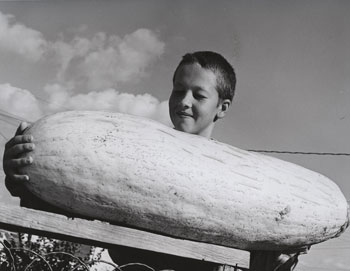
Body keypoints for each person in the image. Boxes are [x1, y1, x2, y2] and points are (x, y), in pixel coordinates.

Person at [3, 51, 306, 270]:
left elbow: (260, 247)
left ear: (221, 107)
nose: (184, 101)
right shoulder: (129, 154)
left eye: (198, 95)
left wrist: (279, 257)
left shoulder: (240, 183)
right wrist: (22, 178)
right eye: (178, 90)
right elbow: (73, 200)